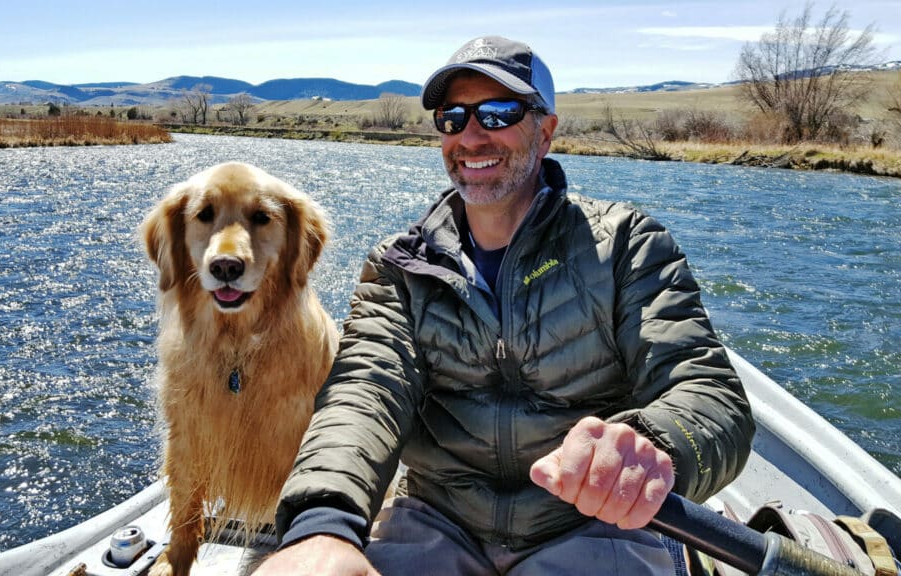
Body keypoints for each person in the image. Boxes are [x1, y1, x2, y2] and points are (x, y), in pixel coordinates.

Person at [253, 36, 755, 575]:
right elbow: (365, 389)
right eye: (453, 117)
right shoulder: (399, 265)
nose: (470, 136)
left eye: (498, 114)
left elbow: (710, 397)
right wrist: (322, 524)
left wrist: (655, 446)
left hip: (590, 521)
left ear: (545, 132)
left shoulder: (629, 246)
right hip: (437, 517)